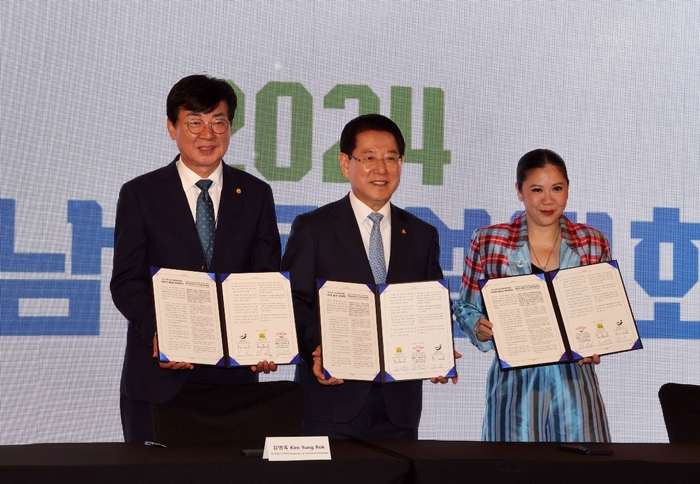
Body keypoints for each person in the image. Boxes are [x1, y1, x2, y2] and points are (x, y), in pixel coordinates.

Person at [110, 74, 281, 442]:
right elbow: (126, 281)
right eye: (194, 122)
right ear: (172, 127)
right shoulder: (141, 193)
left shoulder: (255, 194)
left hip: (233, 379)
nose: (208, 134)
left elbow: (264, 279)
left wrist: (266, 340)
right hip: (161, 375)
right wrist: (162, 331)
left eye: (218, 122)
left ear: (230, 127)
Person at [281, 114, 457, 439]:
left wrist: (438, 347)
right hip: (330, 401)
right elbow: (292, 300)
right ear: (345, 164)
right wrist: (314, 347)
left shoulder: (421, 234)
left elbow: (432, 304)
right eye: (369, 158)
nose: (382, 168)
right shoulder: (314, 228)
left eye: (391, 158)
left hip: (398, 409)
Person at [453, 148, 611, 442]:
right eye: (537, 189)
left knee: (586, 470)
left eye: (557, 189)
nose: (547, 200)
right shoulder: (489, 241)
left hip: (575, 380)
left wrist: (599, 338)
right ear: (519, 191)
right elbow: (464, 306)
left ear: (568, 189)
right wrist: (478, 326)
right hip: (515, 382)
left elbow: (603, 311)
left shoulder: (592, 241)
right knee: (514, 468)